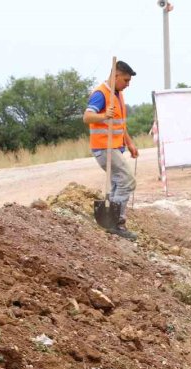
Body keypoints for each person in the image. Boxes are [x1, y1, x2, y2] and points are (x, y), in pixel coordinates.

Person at [83, 60, 139, 240]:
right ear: (115, 76)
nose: (128, 84)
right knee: (127, 181)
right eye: (126, 80)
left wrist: (129, 143)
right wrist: (103, 115)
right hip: (104, 147)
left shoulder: (117, 93)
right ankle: (116, 223)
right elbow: (87, 117)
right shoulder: (101, 94)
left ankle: (110, 222)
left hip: (115, 147)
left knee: (118, 183)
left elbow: (120, 124)